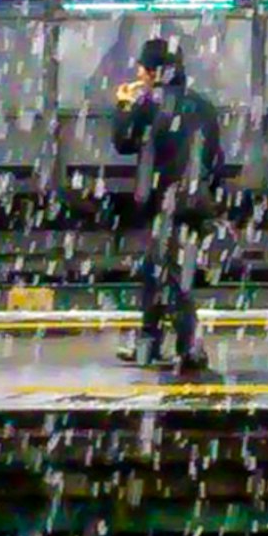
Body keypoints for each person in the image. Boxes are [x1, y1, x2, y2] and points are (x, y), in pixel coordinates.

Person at [114, 36, 228, 375]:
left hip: (166, 201)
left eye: (142, 67)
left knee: (170, 276)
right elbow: (216, 158)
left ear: (152, 72)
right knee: (157, 271)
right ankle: (147, 344)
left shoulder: (149, 103)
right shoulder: (203, 106)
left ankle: (188, 349)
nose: (138, 73)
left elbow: (123, 142)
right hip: (196, 200)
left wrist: (123, 106)